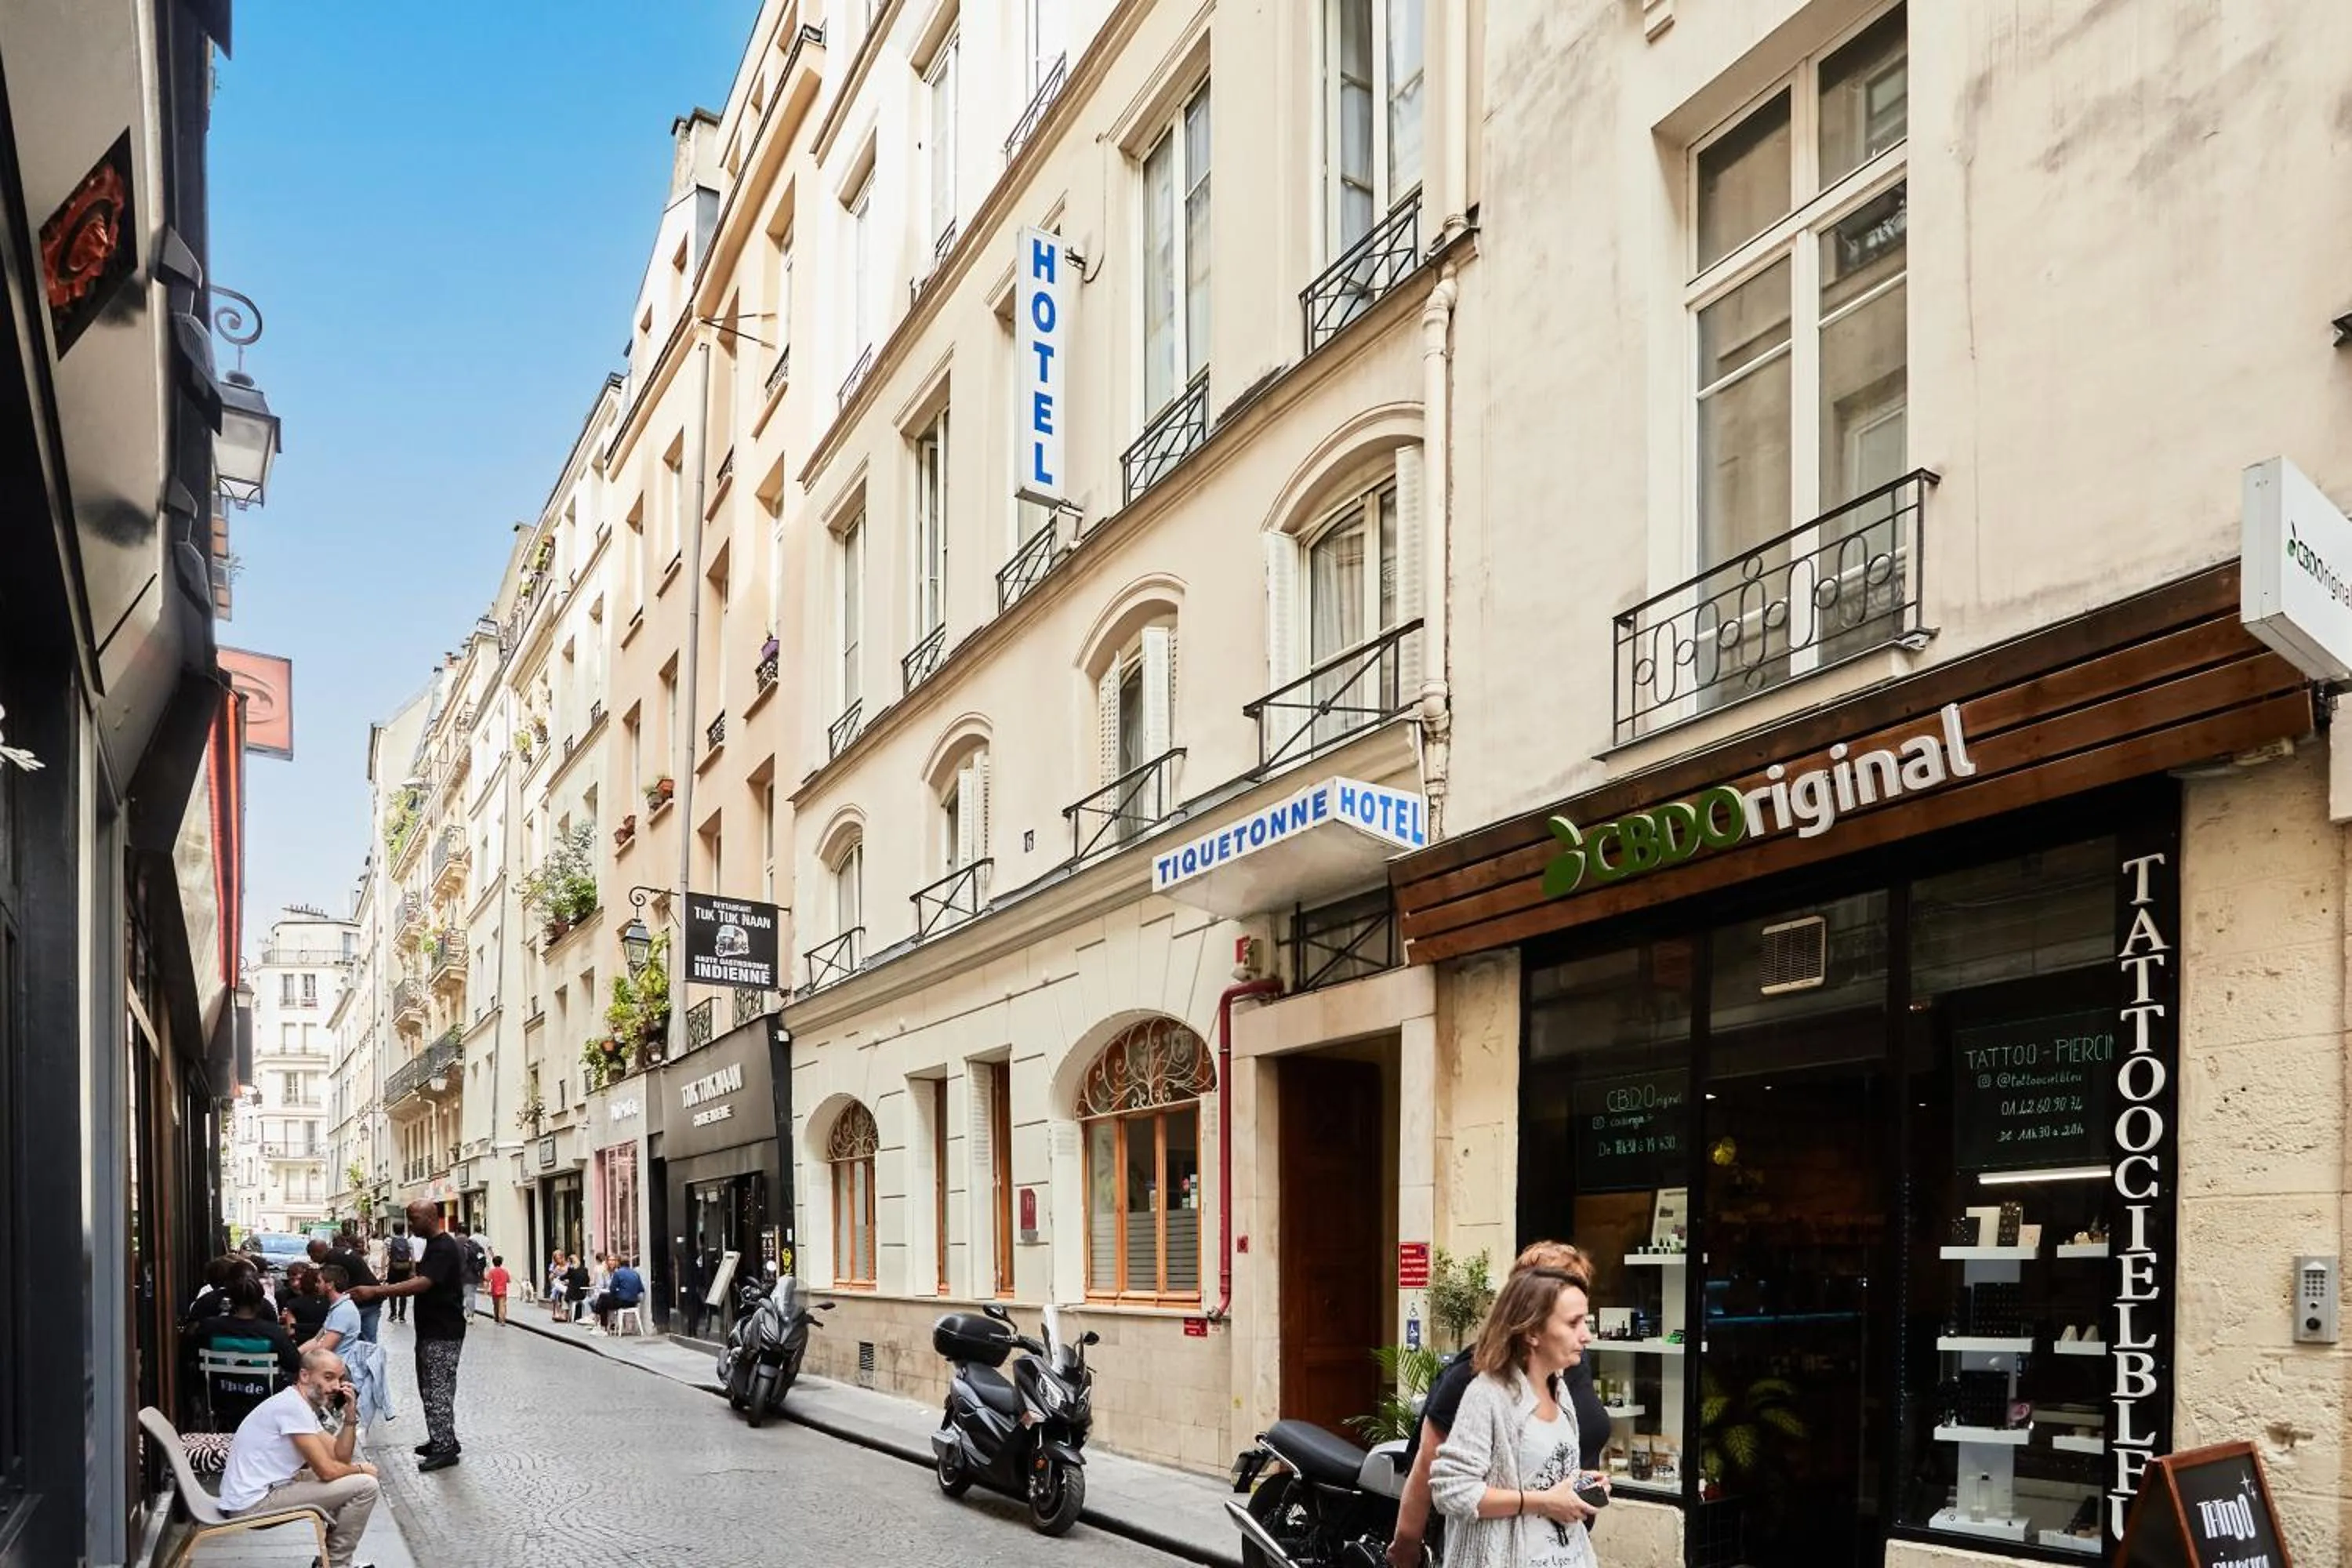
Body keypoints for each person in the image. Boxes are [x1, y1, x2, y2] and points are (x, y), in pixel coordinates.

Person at [1390, 1244, 1610, 1568]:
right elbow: (1435, 1471)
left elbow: (1546, 1464)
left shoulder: (1561, 1378)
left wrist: (1580, 1485)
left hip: (1562, 1546)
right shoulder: (1478, 1381)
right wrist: (1407, 1544)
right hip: (1499, 1550)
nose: (1585, 1334)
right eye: (1571, 1318)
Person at [216, 1347, 379, 1568]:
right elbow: (328, 1470)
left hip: (256, 1493)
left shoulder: (298, 1405)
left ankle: (329, 1561)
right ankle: (337, 1564)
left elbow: (340, 1457)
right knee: (365, 1485)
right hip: (253, 1504)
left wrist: (350, 1415)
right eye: (328, 1377)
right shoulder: (293, 1408)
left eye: (340, 1379)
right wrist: (361, 1470)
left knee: (346, 1478)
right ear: (305, 1376)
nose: (335, 1387)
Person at [350, 1200, 467, 1471]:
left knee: (437, 1387)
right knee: (429, 1385)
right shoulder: (434, 1246)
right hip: (432, 1329)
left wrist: (376, 1291)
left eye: (414, 1219)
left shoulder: (444, 1247)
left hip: (443, 1330)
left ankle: (445, 1448)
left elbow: (423, 1284)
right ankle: (442, 1437)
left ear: (430, 1217)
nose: (411, 1224)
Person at [183, 1274, 302, 1428]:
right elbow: (294, 1364)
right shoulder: (273, 1333)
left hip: (219, 1399)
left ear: (230, 1300)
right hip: (263, 1400)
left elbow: (191, 1355)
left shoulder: (209, 1328)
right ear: (260, 1302)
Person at [315, 1231, 383, 1343]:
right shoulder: (339, 1253)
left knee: (348, 1339)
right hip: (373, 1298)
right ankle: (369, 1358)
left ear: (318, 1252)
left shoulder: (333, 1261)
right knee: (369, 1340)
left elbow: (336, 1283)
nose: (312, 1259)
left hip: (360, 1300)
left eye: (312, 1255)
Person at [305, 1265, 364, 1355]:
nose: (316, 1285)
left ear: (330, 1285)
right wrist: (295, 1354)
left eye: (319, 1282)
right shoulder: (338, 1307)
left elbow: (323, 1350)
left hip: (336, 1364)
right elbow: (316, 1340)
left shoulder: (343, 1311)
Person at [280, 1264, 331, 1340]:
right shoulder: (331, 1302)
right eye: (291, 1280)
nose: (295, 1284)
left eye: (300, 1280)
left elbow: (291, 1332)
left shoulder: (292, 1304)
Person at [594, 1256, 644, 1332]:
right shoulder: (635, 1273)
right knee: (603, 1299)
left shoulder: (618, 1273)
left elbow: (612, 1289)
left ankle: (602, 1325)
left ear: (618, 1263)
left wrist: (618, 1293)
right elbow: (641, 1289)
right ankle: (605, 1323)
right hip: (634, 1302)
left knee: (602, 1299)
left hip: (622, 1302)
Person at [454, 1222, 488, 1322]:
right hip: (471, 1275)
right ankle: (470, 1316)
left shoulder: (451, 1244)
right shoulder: (474, 1244)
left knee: (457, 1297)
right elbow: (482, 1258)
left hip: (455, 1276)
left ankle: (457, 1315)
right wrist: (478, 1270)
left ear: (457, 1232)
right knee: (470, 1296)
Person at [382, 1229, 415, 1324]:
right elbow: (413, 1258)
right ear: (403, 1231)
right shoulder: (408, 1241)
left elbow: (384, 1256)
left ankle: (393, 1314)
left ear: (394, 1230)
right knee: (404, 1291)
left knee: (392, 1290)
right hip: (405, 1269)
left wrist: (383, 1271)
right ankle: (402, 1316)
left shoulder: (388, 1241)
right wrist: (413, 1270)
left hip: (393, 1269)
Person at [563, 1254, 593, 1325]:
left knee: (561, 1292)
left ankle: (567, 1314)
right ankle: (576, 1315)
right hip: (582, 1293)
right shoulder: (585, 1269)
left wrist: (564, 1280)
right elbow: (587, 1281)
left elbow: (564, 1277)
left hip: (573, 1295)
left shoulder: (571, 1270)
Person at [485, 1254, 511, 1325]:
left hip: (494, 1291)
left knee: (496, 1305)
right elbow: (508, 1280)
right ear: (501, 1263)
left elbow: (487, 1280)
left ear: (493, 1263)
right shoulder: (505, 1271)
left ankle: (496, 1317)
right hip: (503, 1291)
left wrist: (486, 1290)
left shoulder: (492, 1271)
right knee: (502, 1305)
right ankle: (502, 1320)